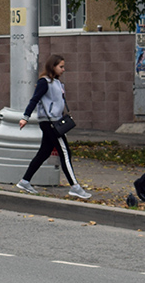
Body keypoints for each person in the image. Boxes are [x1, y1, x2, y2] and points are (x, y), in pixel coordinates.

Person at [16, 54, 92, 199]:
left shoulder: (56, 82)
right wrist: (25, 117)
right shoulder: (44, 82)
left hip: (53, 122)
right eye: (61, 67)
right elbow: (34, 99)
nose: (63, 69)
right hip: (49, 123)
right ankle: (75, 186)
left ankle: (25, 181)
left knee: (44, 152)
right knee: (65, 152)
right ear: (53, 67)